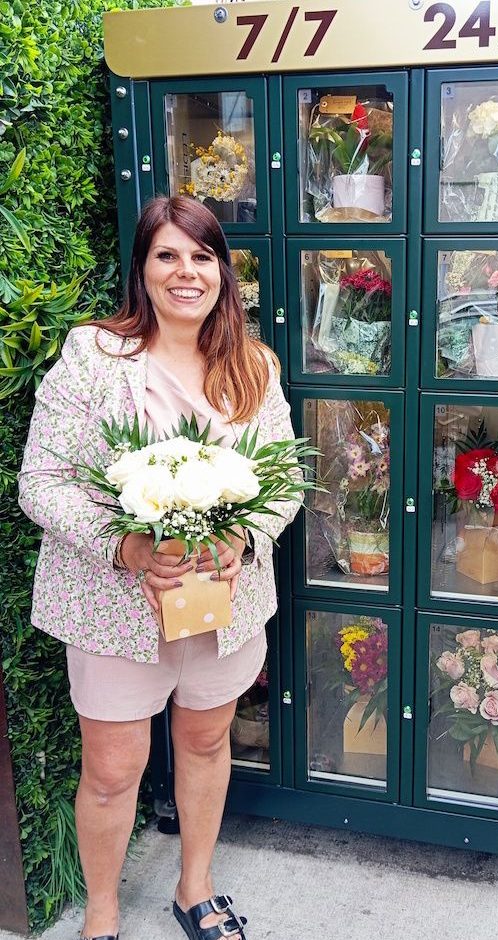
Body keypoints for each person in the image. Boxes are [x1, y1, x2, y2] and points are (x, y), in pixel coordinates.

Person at [18, 195, 300, 940]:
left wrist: (245, 539)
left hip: (223, 605)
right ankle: (102, 915)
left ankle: (195, 888)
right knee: (112, 772)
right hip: (116, 609)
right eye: (167, 255)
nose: (186, 272)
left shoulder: (253, 366)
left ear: (223, 273)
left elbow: (286, 480)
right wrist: (129, 548)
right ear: (142, 269)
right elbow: (39, 482)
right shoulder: (93, 356)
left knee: (208, 742)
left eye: (202, 256)